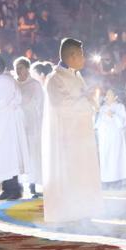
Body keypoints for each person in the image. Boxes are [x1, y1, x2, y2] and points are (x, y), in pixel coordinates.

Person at [42, 38, 103, 223]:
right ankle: (67, 214)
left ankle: (83, 211)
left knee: (83, 173)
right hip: (66, 138)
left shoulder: (76, 75)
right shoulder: (55, 78)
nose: (84, 59)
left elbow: (85, 102)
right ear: (72, 56)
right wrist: (85, 98)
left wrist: (91, 97)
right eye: (82, 55)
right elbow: (63, 106)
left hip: (82, 135)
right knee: (69, 173)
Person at [0, 55, 30, 200]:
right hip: (8, 121)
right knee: (7, 155)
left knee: (8, 154)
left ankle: (12, 189)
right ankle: (9, 188)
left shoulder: (3, 80)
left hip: (8, 121)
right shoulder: (6, 79)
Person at [16, 56, 44, 198]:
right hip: (18, 123)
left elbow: (41, 104)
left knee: (32, 154)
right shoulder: (14, 84)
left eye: (21, 67)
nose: (18, 70)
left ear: (27, 69)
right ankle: (19, 185)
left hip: (32, 123)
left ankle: (33, 185)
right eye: (17, 68)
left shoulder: (35, 85)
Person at [95, 89, 126, 184]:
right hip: (104, 137)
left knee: (116, 156)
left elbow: (124, 121)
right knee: (105, 157)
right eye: (106, 94)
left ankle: (118, 179)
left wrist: (113, 115)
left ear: (115, 97)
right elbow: (97, 123)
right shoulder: (102, 108)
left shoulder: (120, 107)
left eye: (110, 94)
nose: (107, 96)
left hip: (115, 136)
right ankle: (106, 179)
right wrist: (96, 112)